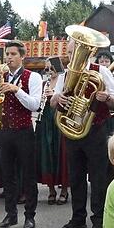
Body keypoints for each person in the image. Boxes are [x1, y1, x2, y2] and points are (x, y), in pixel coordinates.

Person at [51, 39, 114, 228]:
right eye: (71, 53)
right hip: (71, 130)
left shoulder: (101, 71)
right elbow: (53, 103)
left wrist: (106, 98)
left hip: (95, 130)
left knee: (98, 177)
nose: (73, 57)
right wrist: (58, 99)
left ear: (88, 53)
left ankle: (98, 219)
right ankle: (77, 217)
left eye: (76, 52)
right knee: (76, 175)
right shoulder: (65, 75)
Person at [0, 41, 41, 228]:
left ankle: (30, 216)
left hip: (24, 131)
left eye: (13, 54)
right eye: (7, 54)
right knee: (8, 175)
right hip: (5, 131)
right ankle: (10, 215)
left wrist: (17, 90)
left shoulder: (33, 76)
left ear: (22, 56)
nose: (9, 57)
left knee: (28, 175)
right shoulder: (0, 77)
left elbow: (35, 105)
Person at [36, 59, 68, 205]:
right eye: (46, 69)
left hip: (60, 120)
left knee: (61, 154)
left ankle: (64, 190)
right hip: (46, 122)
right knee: (47, 154)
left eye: (51, 68)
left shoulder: (64, 81)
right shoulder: (44, 84)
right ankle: (51, 190)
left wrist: (54, 94)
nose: (49, 71)